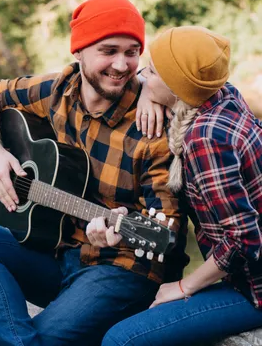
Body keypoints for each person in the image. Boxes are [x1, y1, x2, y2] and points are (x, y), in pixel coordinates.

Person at [0, 0, 188, 346]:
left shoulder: (152, 128)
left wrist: (118, 228)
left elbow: (168, 231)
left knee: (46, 338)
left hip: (122, 268)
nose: (122, 64)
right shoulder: (58, 90)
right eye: (108, 50)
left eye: (132, 52)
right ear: (79, 51)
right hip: (60, 252)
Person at [102, 26, 262, 346]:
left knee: (121, 339)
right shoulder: (222, 94)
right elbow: (179, 81)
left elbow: (243, 239)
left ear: (175, 86)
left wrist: (184, 286)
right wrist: (151, 93)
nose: (144, 77)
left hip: (253, 287)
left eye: (152, 72)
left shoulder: (205, 139)